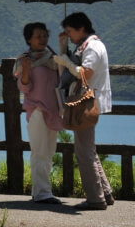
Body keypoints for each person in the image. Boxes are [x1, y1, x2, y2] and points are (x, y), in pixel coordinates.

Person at [53, 12, 114, 210]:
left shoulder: (92, 48)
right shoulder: (89, 45)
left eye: (70, 31)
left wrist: (66, 62)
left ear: (81, 29)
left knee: (83, 151)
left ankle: (96, 199)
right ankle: (105, 193)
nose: (69, 35)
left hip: (85, 104)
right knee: (88, 149)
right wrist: (64, 49)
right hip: (89, 101)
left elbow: (85, 74)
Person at [14, 22, 62, 204]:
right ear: (29, 39)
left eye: (45, 35)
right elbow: (24, 88)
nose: (43, 39)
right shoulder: (24, 60)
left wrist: (63, 56)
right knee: (39, 152)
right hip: (37, 110)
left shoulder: (53, 58)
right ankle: (43, 193)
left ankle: (40, 191)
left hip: (54, 110)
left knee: (49, 152)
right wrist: (26, 69)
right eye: (38, 36)